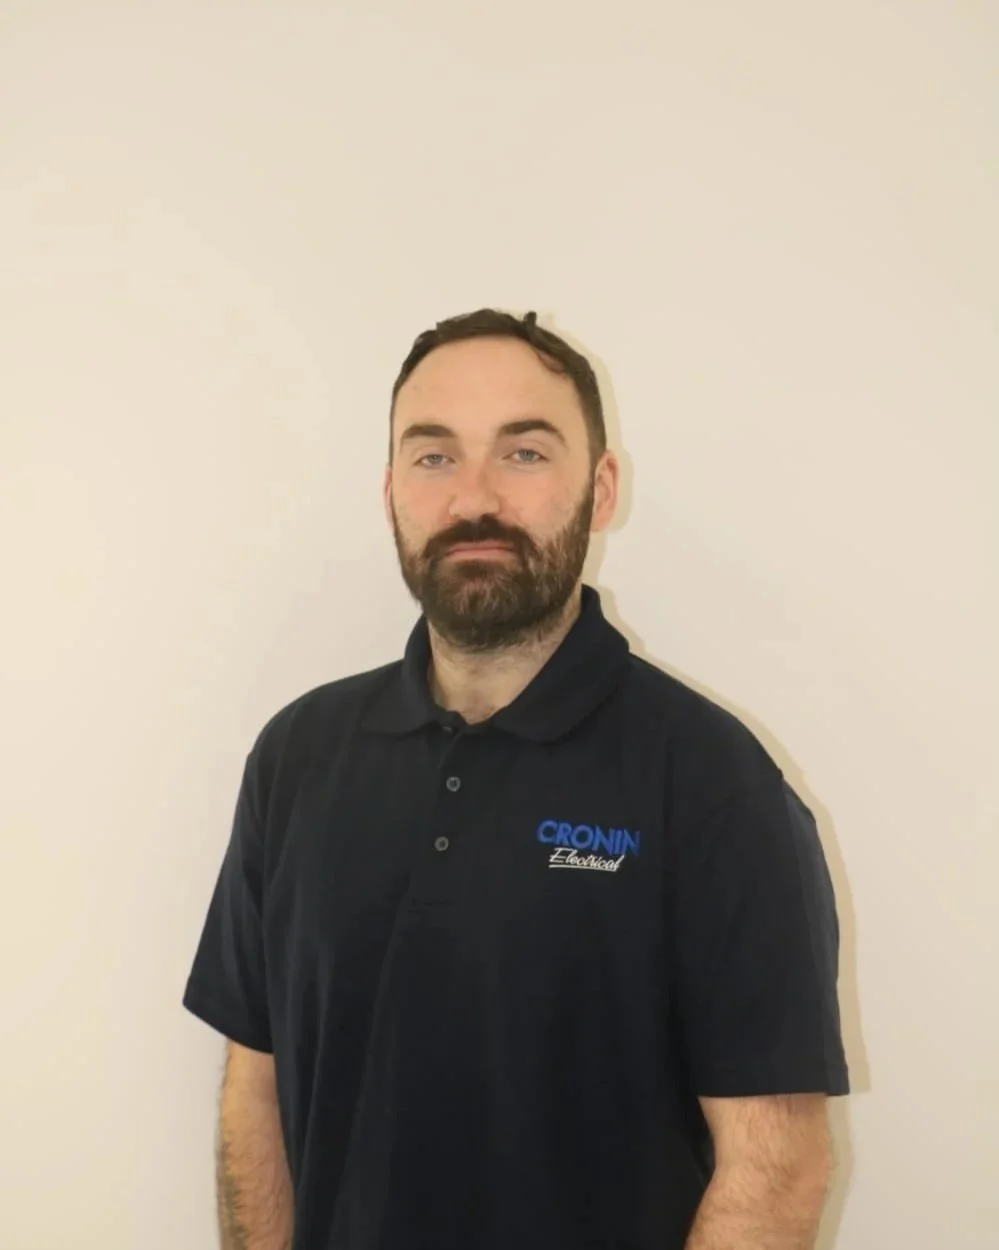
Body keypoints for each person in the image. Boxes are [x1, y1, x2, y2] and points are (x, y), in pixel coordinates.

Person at [183, 308, 850, 1250]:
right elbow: (256, 1087)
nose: (474, 497)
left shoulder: (710, 782)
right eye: (434, 456)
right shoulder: (296, 756)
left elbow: (773, 1164)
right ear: (389, 492)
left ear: (601, 486)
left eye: (525, 453)